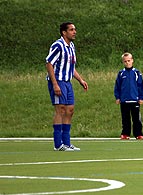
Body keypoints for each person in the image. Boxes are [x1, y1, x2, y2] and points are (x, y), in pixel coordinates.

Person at [45, 22, 88, 151]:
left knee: (70, 110)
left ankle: (67, 142)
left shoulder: (71, 46)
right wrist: (55, 84)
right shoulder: (58, 45)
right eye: (71, 30)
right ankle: (58, 144)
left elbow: (70, 67)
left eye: (75, 29)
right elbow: (49, 63)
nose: (74, 32)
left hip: (67, 82)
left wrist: (80, 79)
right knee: (61, 110)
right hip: (58, 81)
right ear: (64, 32)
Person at [114, 52, 143, 140]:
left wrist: (141, 97)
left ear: (132, 61)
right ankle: (125, 133)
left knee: (136, 119)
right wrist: (117, 97)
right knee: (125, 118)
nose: (127, 63)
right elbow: (117, 86)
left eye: (129, 61)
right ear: (123, 62)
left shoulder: (137, 73)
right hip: (124, 100)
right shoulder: (121, 74)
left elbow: (141, 86)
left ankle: (138, 133)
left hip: (135, 100)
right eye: (125, 61)